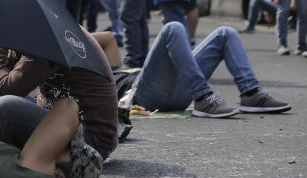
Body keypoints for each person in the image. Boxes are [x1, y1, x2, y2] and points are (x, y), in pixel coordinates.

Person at [0, 0, 119, 160]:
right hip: (62, 124)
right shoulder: (40, 23)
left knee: (2, 110)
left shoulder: (48, 31)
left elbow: (4, 95)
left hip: (91, 140)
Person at [124, 22, 291, 117]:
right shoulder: (103, 74)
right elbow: (106, 43)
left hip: (180, 93)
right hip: (144, 95)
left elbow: (107, 40)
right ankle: (203, 97)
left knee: (225, 33)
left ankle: (251, 94)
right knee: (172, 28)